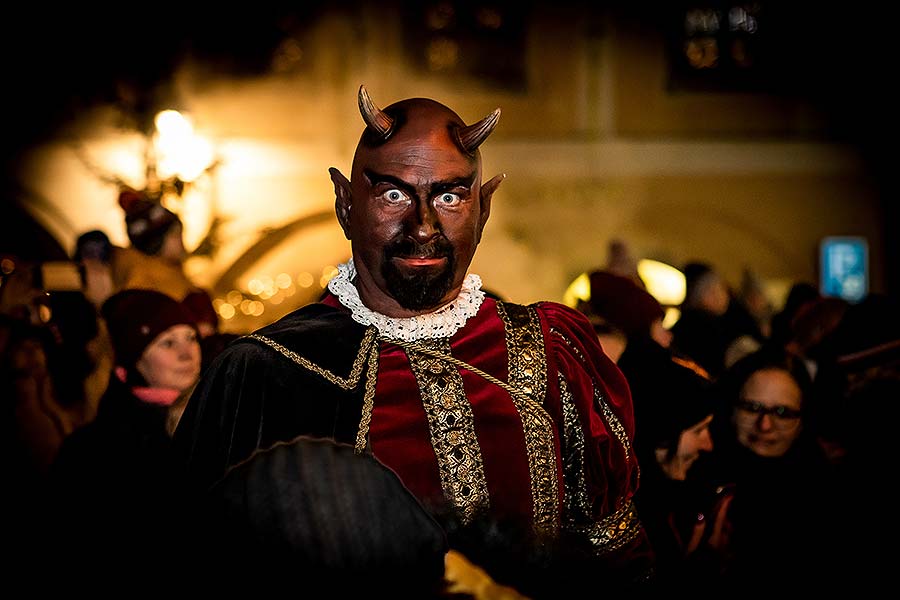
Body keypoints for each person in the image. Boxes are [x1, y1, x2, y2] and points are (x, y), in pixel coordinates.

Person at [173, 85, 654, 594]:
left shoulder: (553, 350)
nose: (423, 227)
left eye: (449, 196)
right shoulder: (265, 373)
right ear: (345, 204)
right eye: (394, 194)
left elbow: (616, 562)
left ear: (483, 208)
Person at [46, 288, 202, 574]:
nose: (187, 353)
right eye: (167, 343)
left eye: (191, 337)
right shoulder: (95, 450)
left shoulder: (214, 411)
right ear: (135, 356)